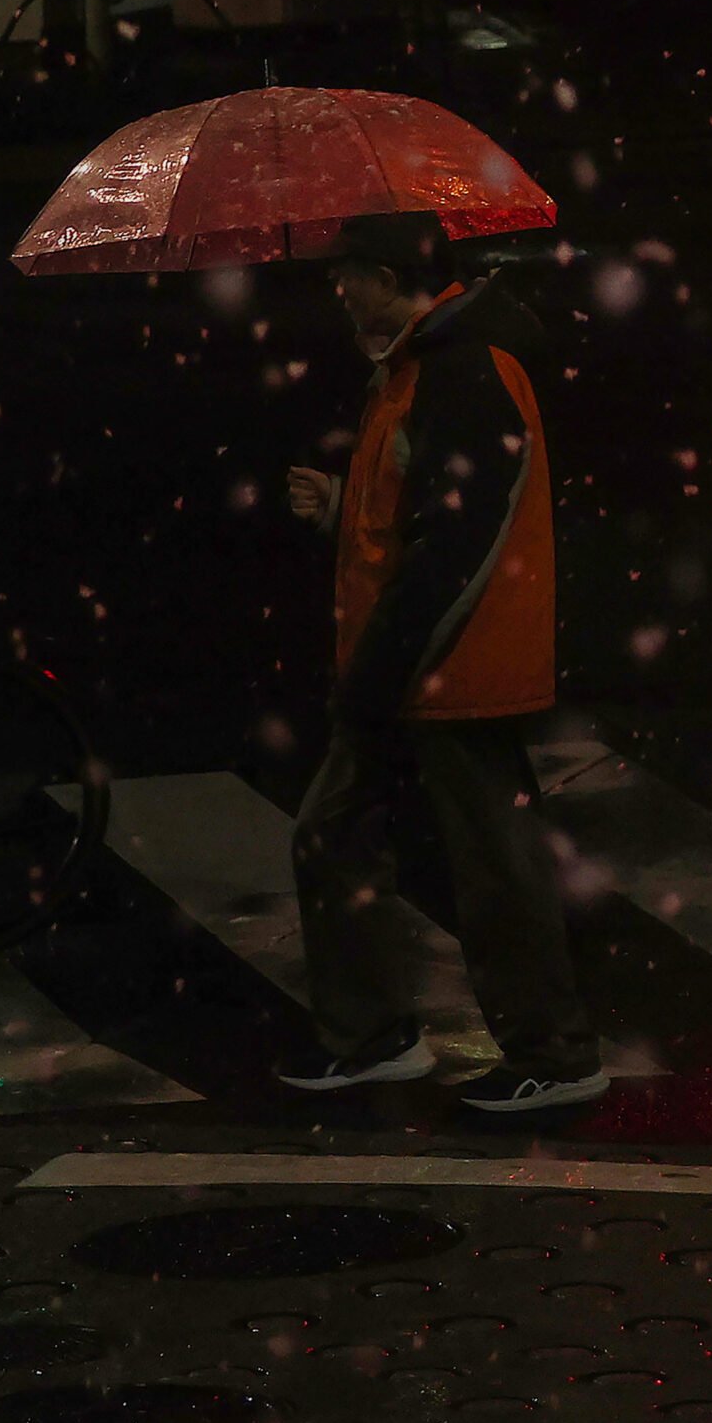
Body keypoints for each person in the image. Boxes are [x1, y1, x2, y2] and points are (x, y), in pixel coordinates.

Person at [278, 212, 606, 1114]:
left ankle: (555, 1052)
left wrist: (382, 674)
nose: (336, 290)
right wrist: (343, 505)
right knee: (337, 836)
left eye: (346, 274)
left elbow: (459, 543)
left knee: (493, 866)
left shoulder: (463, 370)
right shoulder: (418, 365)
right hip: (416, 661)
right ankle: (375, 1036)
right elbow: (417, 511)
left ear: (386, 277)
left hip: (452, 668)